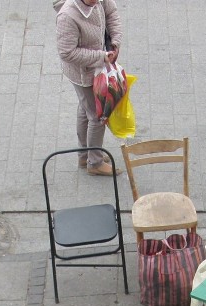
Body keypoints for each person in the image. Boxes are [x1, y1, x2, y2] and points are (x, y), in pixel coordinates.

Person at [55, 0, 123, 176]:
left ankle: (85, 155)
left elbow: (112, 13)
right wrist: (101, 57)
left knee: (85, 109)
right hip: (83, 74)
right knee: (97, 115)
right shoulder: (67, 16)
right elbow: (67, 52)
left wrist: (115, 42)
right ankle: (95, 162)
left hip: (97, 67)